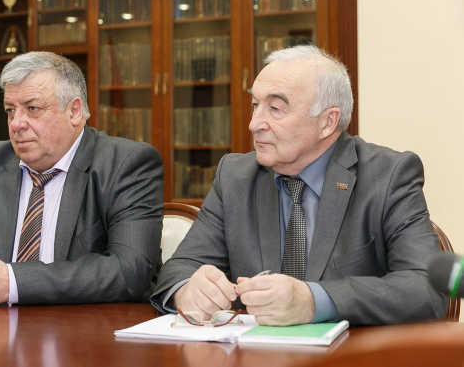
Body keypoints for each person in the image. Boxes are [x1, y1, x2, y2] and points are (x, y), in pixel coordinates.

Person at [151, 45, 447, 325]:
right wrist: (187, 291)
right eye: (255, 105)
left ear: (327, 122)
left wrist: (315, 300)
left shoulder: (387, 175)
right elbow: (178, 269)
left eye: (275, 108)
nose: (254, 124)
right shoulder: (235, 177)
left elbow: (427, 287)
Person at [0, 51, 164, 306]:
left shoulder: (126, 163)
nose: (16, 124)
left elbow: (130, 270)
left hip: (89, 327)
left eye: (32, 109)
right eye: (10, 110)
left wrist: (10, 282)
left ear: (74, 111)